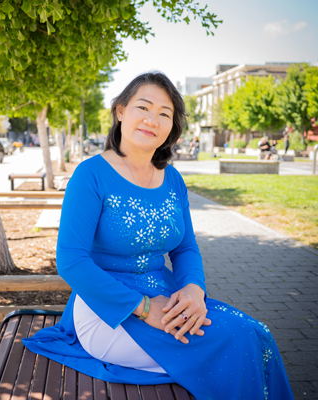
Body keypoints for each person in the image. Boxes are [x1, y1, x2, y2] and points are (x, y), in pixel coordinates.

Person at [23, 72, 294, 399]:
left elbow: (185, 248)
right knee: (238, 345)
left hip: (166, 296)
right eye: (144, 107)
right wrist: (145, 307)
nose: (153, 120)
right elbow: (70, 261)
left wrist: (195, 290)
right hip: (107, 310)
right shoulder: (90, 175)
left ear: (172, 127)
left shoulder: (173, 179)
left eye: (164, 114)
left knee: (255, 334)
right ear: (120, 111)